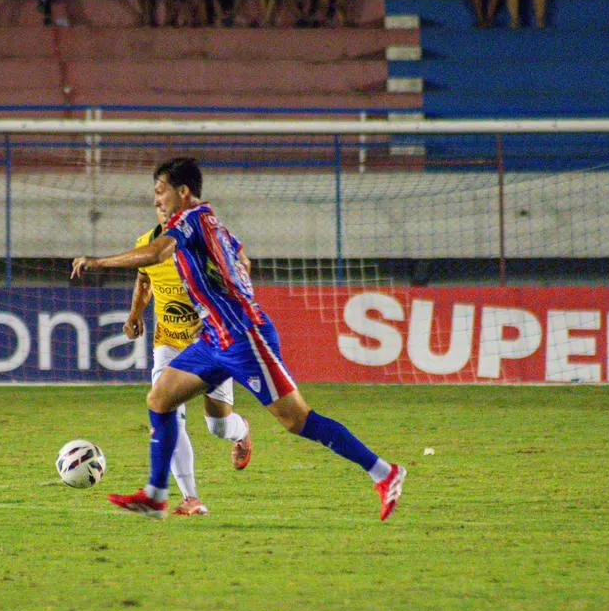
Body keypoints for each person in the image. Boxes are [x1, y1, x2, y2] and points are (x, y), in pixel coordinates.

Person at [71, 158, 407, 521]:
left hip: (242, 336)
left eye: (160, 192)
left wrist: (98, 262)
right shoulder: (215, 224)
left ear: (183, 192)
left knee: (297, 421)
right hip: (215, 336)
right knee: (161, 397)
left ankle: (384, 472)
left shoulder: (190, 220)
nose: (157, 201)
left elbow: (157, 253)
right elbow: (243, 261)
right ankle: (156, 494)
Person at [124, 204, 255, 516]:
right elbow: (144, 281)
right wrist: (134, 314)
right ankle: (190, 497)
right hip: (167, 342)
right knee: (167, 411)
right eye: (156, 203)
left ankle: (241, 431)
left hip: (210, 342)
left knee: (218, 426)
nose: (161, 208)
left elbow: (241, 266)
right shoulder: (146, 245)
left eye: (165, 201)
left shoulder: (205, 244)